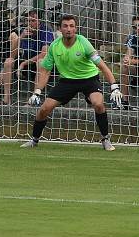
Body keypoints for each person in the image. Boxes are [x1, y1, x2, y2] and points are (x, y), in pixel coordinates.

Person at [20, 14, 122, 150]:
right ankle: (34, 140)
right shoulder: (54, 46)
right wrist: (37, 92)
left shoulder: (83, 42)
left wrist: (114, 87)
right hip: (67, 81)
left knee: (98, 104)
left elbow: (102, 66)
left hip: (89, 79)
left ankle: (105, 139)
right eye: (65, 26)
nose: (69, 29)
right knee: (44, 109)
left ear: (76, 29)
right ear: (60, 29)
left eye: (72, 26)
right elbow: (45, 71)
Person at [0, 11, 18, 104]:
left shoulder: (3, 29)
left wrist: (11, 57)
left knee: (7, 65)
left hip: (2, 63)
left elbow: (15, 38)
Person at [16, 10, 54, 82]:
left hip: (38, 64)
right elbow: (14, 51)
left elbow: (44, 54)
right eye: (28, 21)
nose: (30, 23)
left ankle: (36, 92)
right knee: (8, 62)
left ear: (39, 21)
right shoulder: (24, 31)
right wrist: (20, 37)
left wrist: (24, 63)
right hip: (25, 62)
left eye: (33, 21)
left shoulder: (46, 31)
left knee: (40, 62)